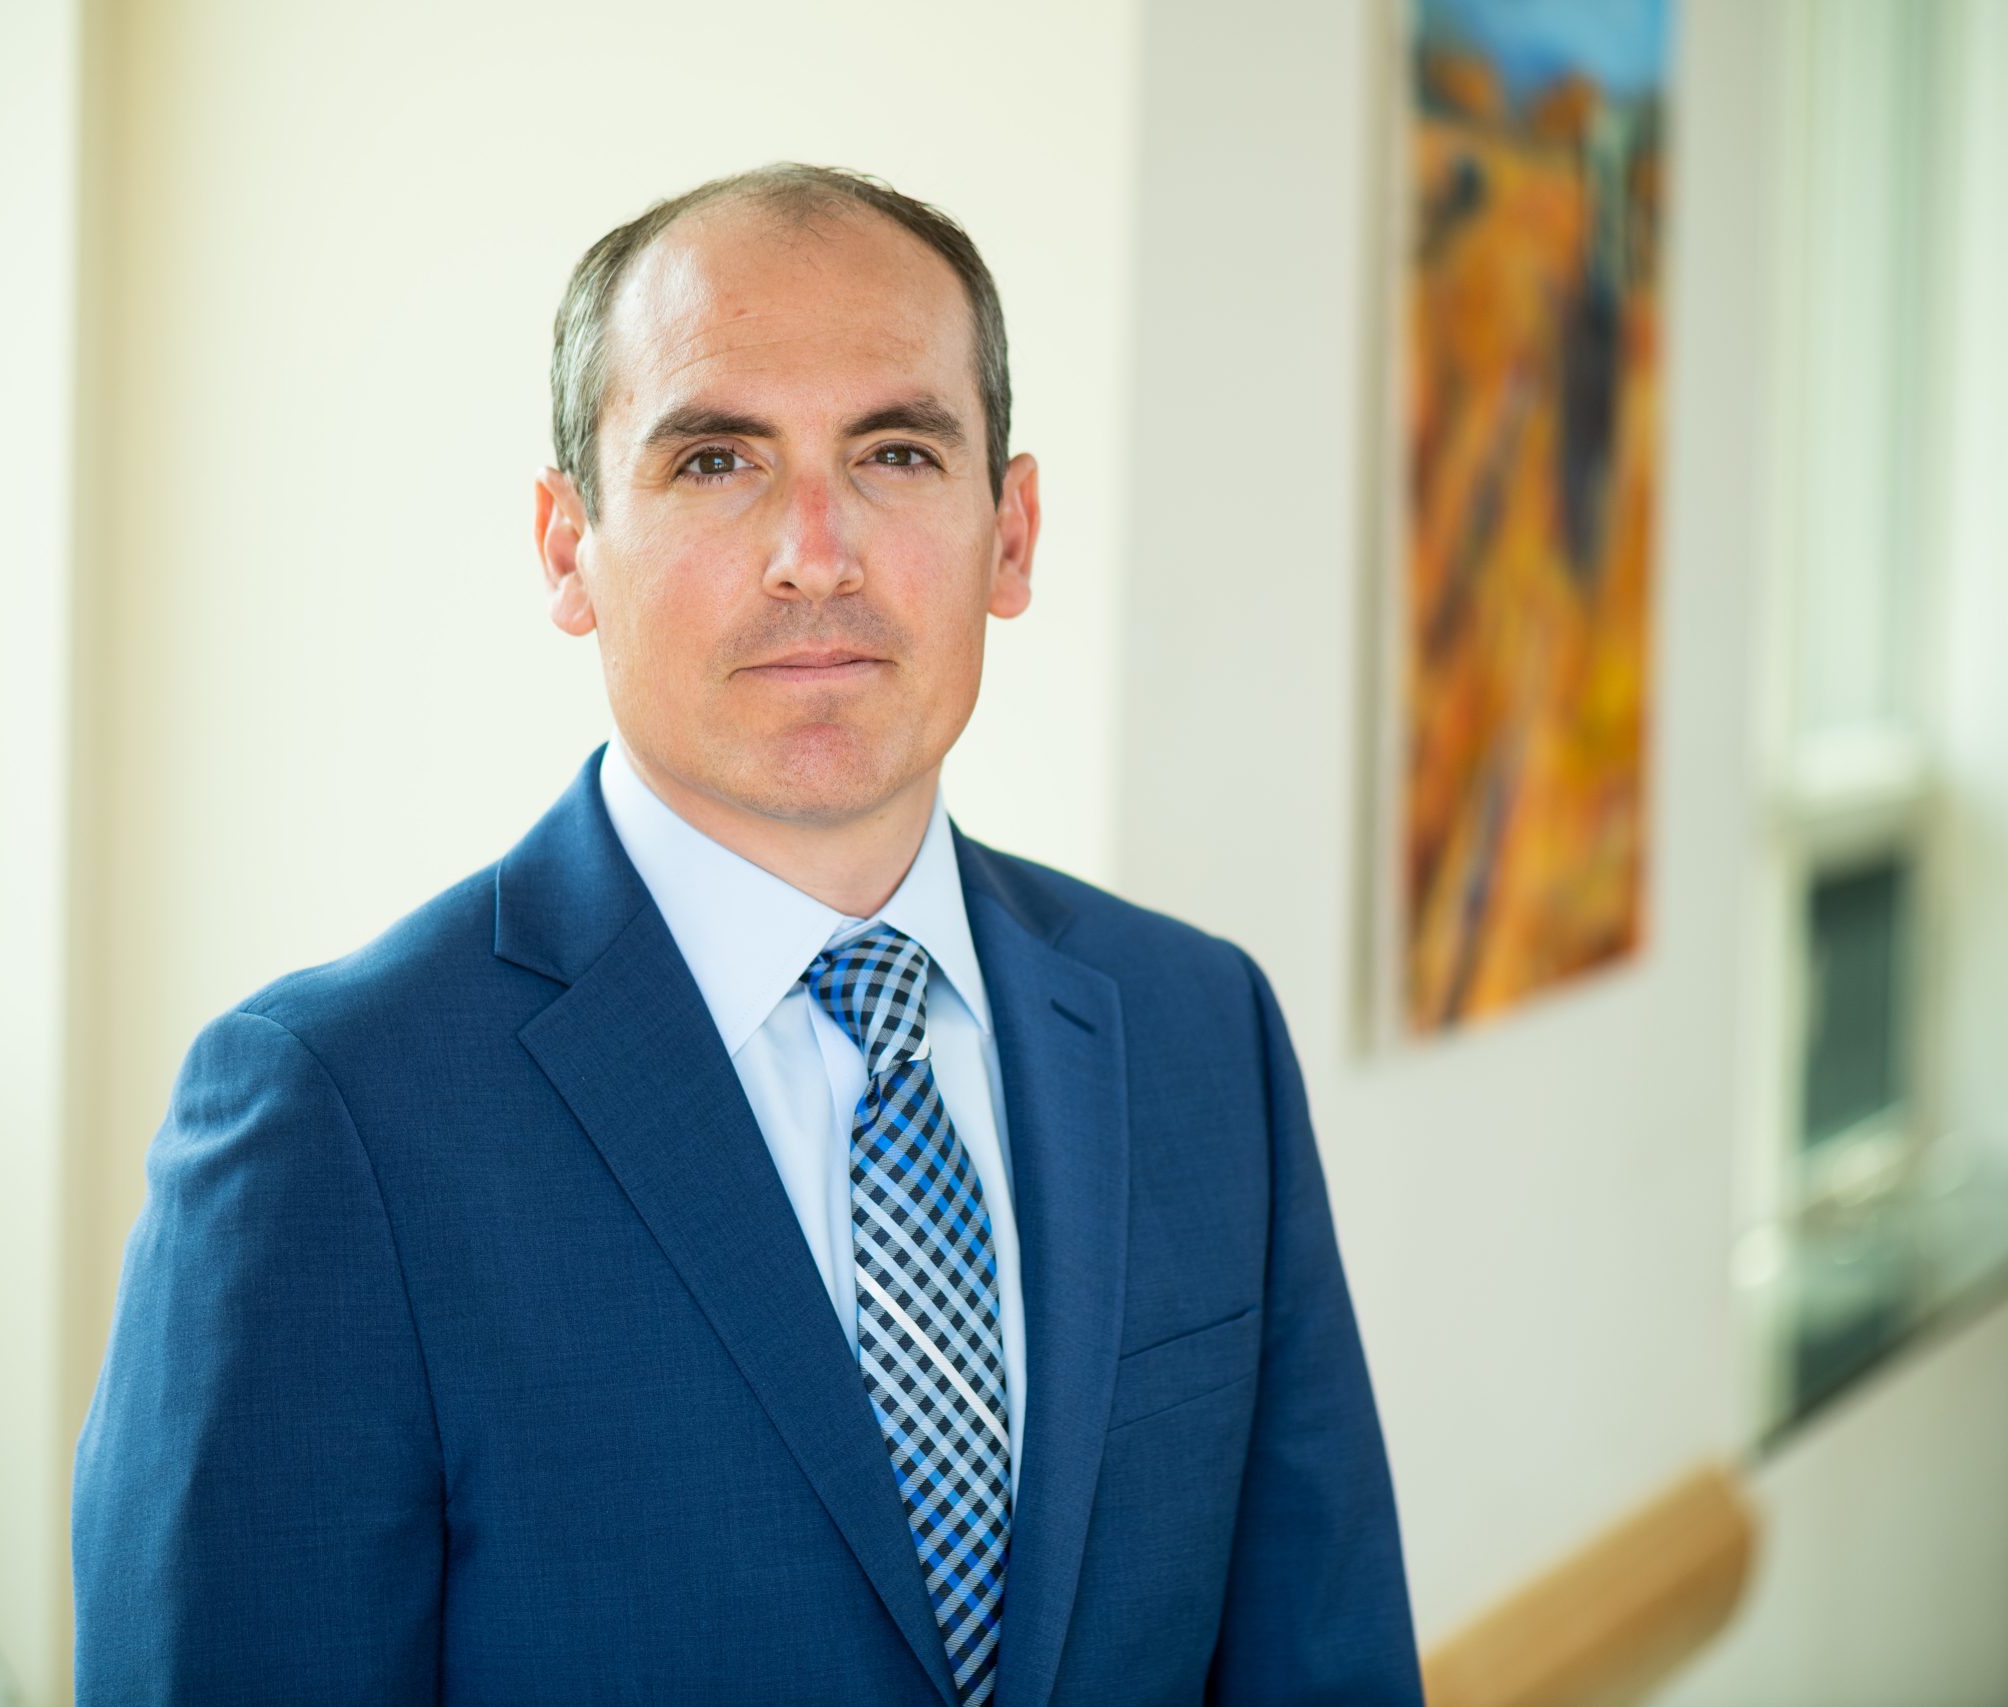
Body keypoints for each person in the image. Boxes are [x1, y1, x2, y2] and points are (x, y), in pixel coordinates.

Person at [71, 162, 1422, 1707]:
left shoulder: (1199, 1030)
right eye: (716, 461)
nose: (816, 551)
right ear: (567, 546)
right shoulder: (331, 1114)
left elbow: (1328, 1666)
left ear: (1014, 531)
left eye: (899, 451)